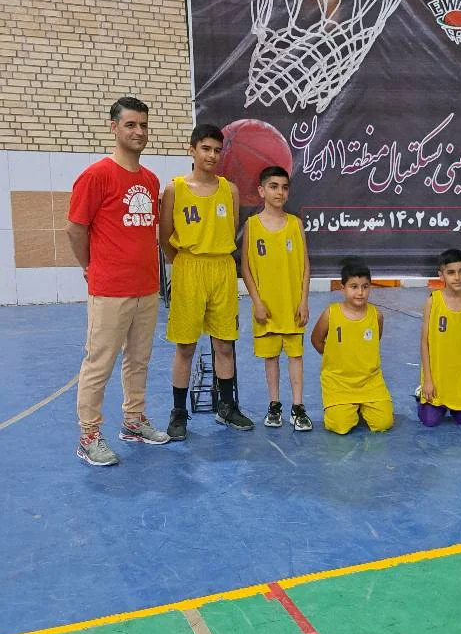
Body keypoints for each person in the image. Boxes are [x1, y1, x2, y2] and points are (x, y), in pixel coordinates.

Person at [67, 96, 170, 466]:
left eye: (143, 125)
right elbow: (75, 229)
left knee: (139, 361)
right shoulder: (96, 175)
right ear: (114, 128)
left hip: (146, 287)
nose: (138, 131)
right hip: (110, 289)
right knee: (99, 364)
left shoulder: (150, 179)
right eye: (130, 125)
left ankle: (133, 421)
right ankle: (88, 436)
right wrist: (90, 267)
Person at [159, 123, 254, 439]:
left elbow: (232, 229)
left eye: (217, 150)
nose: (212, 155)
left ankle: (226, 407)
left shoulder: (230, 190)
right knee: (186, 346)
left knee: (224, 344)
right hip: (189, 267)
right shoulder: (175, 189)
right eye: (205, 149)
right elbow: (164, 237)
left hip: (221, 268)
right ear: (192, 150)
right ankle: (178, 413)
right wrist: (183, 263)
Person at [240, 166, 312, 431]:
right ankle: (274, 406)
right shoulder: (252, 225)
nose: (280, 192)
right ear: (261, 191)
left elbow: (305, 266)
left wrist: (303, 301)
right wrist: (257, 302)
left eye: (284, 187)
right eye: (273, 186)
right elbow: (246, 268)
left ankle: (298, 407)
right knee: (271, 358)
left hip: (292, 306)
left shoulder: (295, 224)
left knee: (296, 357)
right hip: (266, 308)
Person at [311, 257, 393, 434]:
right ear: (343, 288)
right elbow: (316, 340)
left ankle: (361, 407)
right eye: (354, 286)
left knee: (384, 423)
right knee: (339, 426)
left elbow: (375, 340)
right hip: (338, 382)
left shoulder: (376, 315)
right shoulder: (330, 313)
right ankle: (346, 407)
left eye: (365, 286)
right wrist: (335, 356)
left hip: (370, 381)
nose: (360, 292)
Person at [418, 248, 461, 427]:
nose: (457, 277)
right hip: (438, 380)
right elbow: (424, 342)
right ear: (442, 275)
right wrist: (428, 380)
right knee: (429, 421)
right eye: (451, 272)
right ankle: (422, 396)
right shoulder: (433, 301)